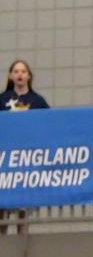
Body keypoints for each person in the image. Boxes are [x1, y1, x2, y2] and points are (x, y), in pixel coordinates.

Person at [0, 59, 50, 235]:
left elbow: (50, 124)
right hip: (5, 159)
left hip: (27, 159)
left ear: (29, 76)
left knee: (23, 205)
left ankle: (22, 242)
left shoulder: (38, 101)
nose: (19, 74)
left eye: (23, 71)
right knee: (2, 205)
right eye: (16, 71)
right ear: (10, 76)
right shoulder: (2, 99)